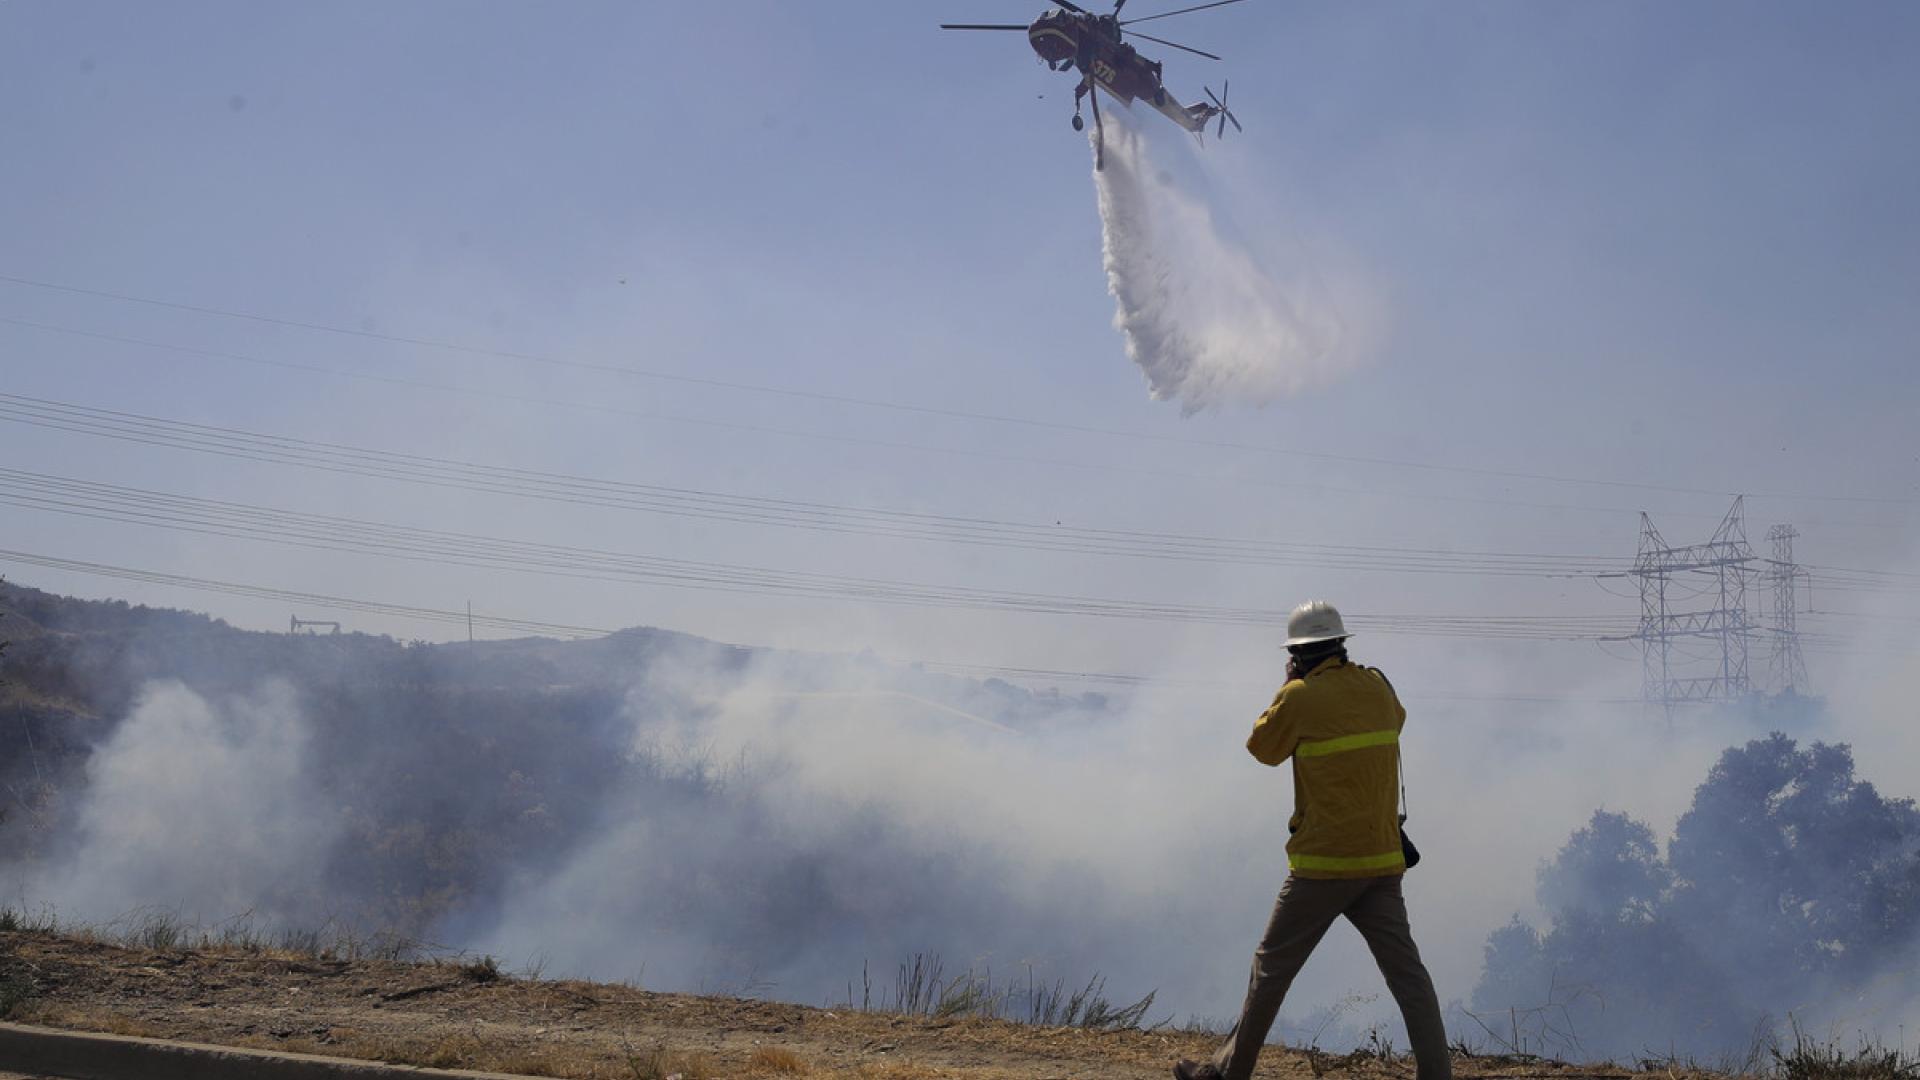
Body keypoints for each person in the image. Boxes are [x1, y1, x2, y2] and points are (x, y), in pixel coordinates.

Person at [1175, 600, 1450, 1080]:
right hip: (1382, 862)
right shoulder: (1379, 687)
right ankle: (1437, 1073)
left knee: (1271, 969)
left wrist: (1287, 688)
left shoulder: (1299, 696)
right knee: (1408, 977)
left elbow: (1262, 749)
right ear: (1341, 644)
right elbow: (1396, 722)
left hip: (1323, 865)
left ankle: (1227, 1074)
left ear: (1298, 655)